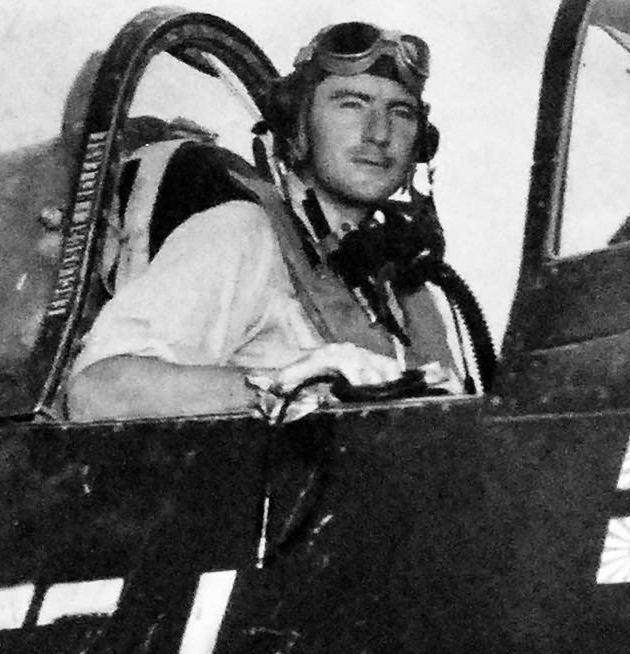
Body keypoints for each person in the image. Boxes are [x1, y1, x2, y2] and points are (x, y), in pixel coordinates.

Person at [66, 21, 466, 421]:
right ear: (298, 126)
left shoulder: (410, 296)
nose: (379, 133)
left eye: (401, 113)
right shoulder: (243, 234)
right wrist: (283, 384)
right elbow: (97, 391)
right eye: (351, 104)